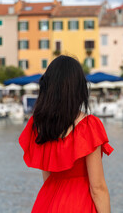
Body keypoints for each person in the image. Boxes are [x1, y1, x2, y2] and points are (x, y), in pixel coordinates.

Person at [19, 55, 113, 213]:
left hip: (47, 203)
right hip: (79, 204)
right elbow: (98, 188)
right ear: (78, 88)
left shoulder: (41, 125)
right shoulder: (88, 126)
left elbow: (48, 177)